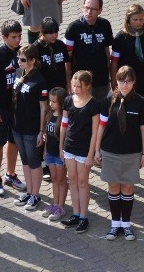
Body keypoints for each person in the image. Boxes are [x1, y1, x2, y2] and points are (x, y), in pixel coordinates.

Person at [94, 67, 144, 241]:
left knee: (127, 188)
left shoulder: (140, 102)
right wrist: (97, 150)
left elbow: (143, 129)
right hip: (110, 151)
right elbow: (101, 127)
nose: (124, 85)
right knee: (113, 188)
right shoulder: (109, 99)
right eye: (121, 81)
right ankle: (114, 223)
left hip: (132, 153)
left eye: (128, 81)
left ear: (134, 82)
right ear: (116, 81)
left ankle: (126, 224)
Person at [0, 20, 26, 196]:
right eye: (13, 37)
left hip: (17, 107)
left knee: (14, 141)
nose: (17, 40)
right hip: (1, 108)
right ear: (4, 37)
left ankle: (10, 174)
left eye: (19, 36)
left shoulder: (22, 53)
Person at [59, 71, 100, 233]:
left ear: (87, 86)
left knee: (83, 182)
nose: (75, 89)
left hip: (84, 150)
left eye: (78, 86)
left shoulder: (94, 104)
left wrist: (91, 155)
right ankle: (75, 214)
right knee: (73, 181)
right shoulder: (68, 100)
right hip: (69, 147)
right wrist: (61, 147)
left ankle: (84, 217)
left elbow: (95, 132)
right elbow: (63, 124)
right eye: (73, 85)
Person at [10, 44, 50, 211]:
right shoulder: (19, 73)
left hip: (32, 128)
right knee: (25, 160)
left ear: (33, 60)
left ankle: (36, 194)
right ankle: (29, 191)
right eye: (18, 58)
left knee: (34, 161)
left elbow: (44, 108)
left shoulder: (39, 81)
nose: (19, 62)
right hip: (17, 126)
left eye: (23, 59)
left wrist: (42, 131)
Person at [64, 0, 114, 100]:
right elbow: (67, 57)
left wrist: (109, 74)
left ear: (100, 11)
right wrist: (69, 81)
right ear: (83, 7)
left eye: (93, 9)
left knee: (101, 108)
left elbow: (106, 49)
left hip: (101, 78)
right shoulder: (74, 27)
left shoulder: (105, 25)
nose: (89, 12)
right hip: (82, 78)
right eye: (87, 8)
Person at [111, 4, 144, 100]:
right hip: (126, 81)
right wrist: (113, 82)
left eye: (141, 19)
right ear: (128, 20)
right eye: (135, 20)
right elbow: (114, 61)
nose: (139, 22)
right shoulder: (120, 37)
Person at [42, 87, 68, 221]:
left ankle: (61, 207)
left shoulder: (64, 117)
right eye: (50, 101)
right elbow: (47, 135)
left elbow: (63, 138)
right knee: (54, 179)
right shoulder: (49, 114)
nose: (51, 104)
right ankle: (55, 204)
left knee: (61, 179)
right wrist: (45, 150)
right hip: (50, 153)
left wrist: (61, 151)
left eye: (54, 102)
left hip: (60, 154)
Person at [33, 17, 72, 92]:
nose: (54, 35)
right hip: (45, 88)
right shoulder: (36, 47)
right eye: (51, 33)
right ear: (43, 32)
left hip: (60, 87)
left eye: (56, 32)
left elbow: (67, 63)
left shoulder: (61, 45)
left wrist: (68, 84)